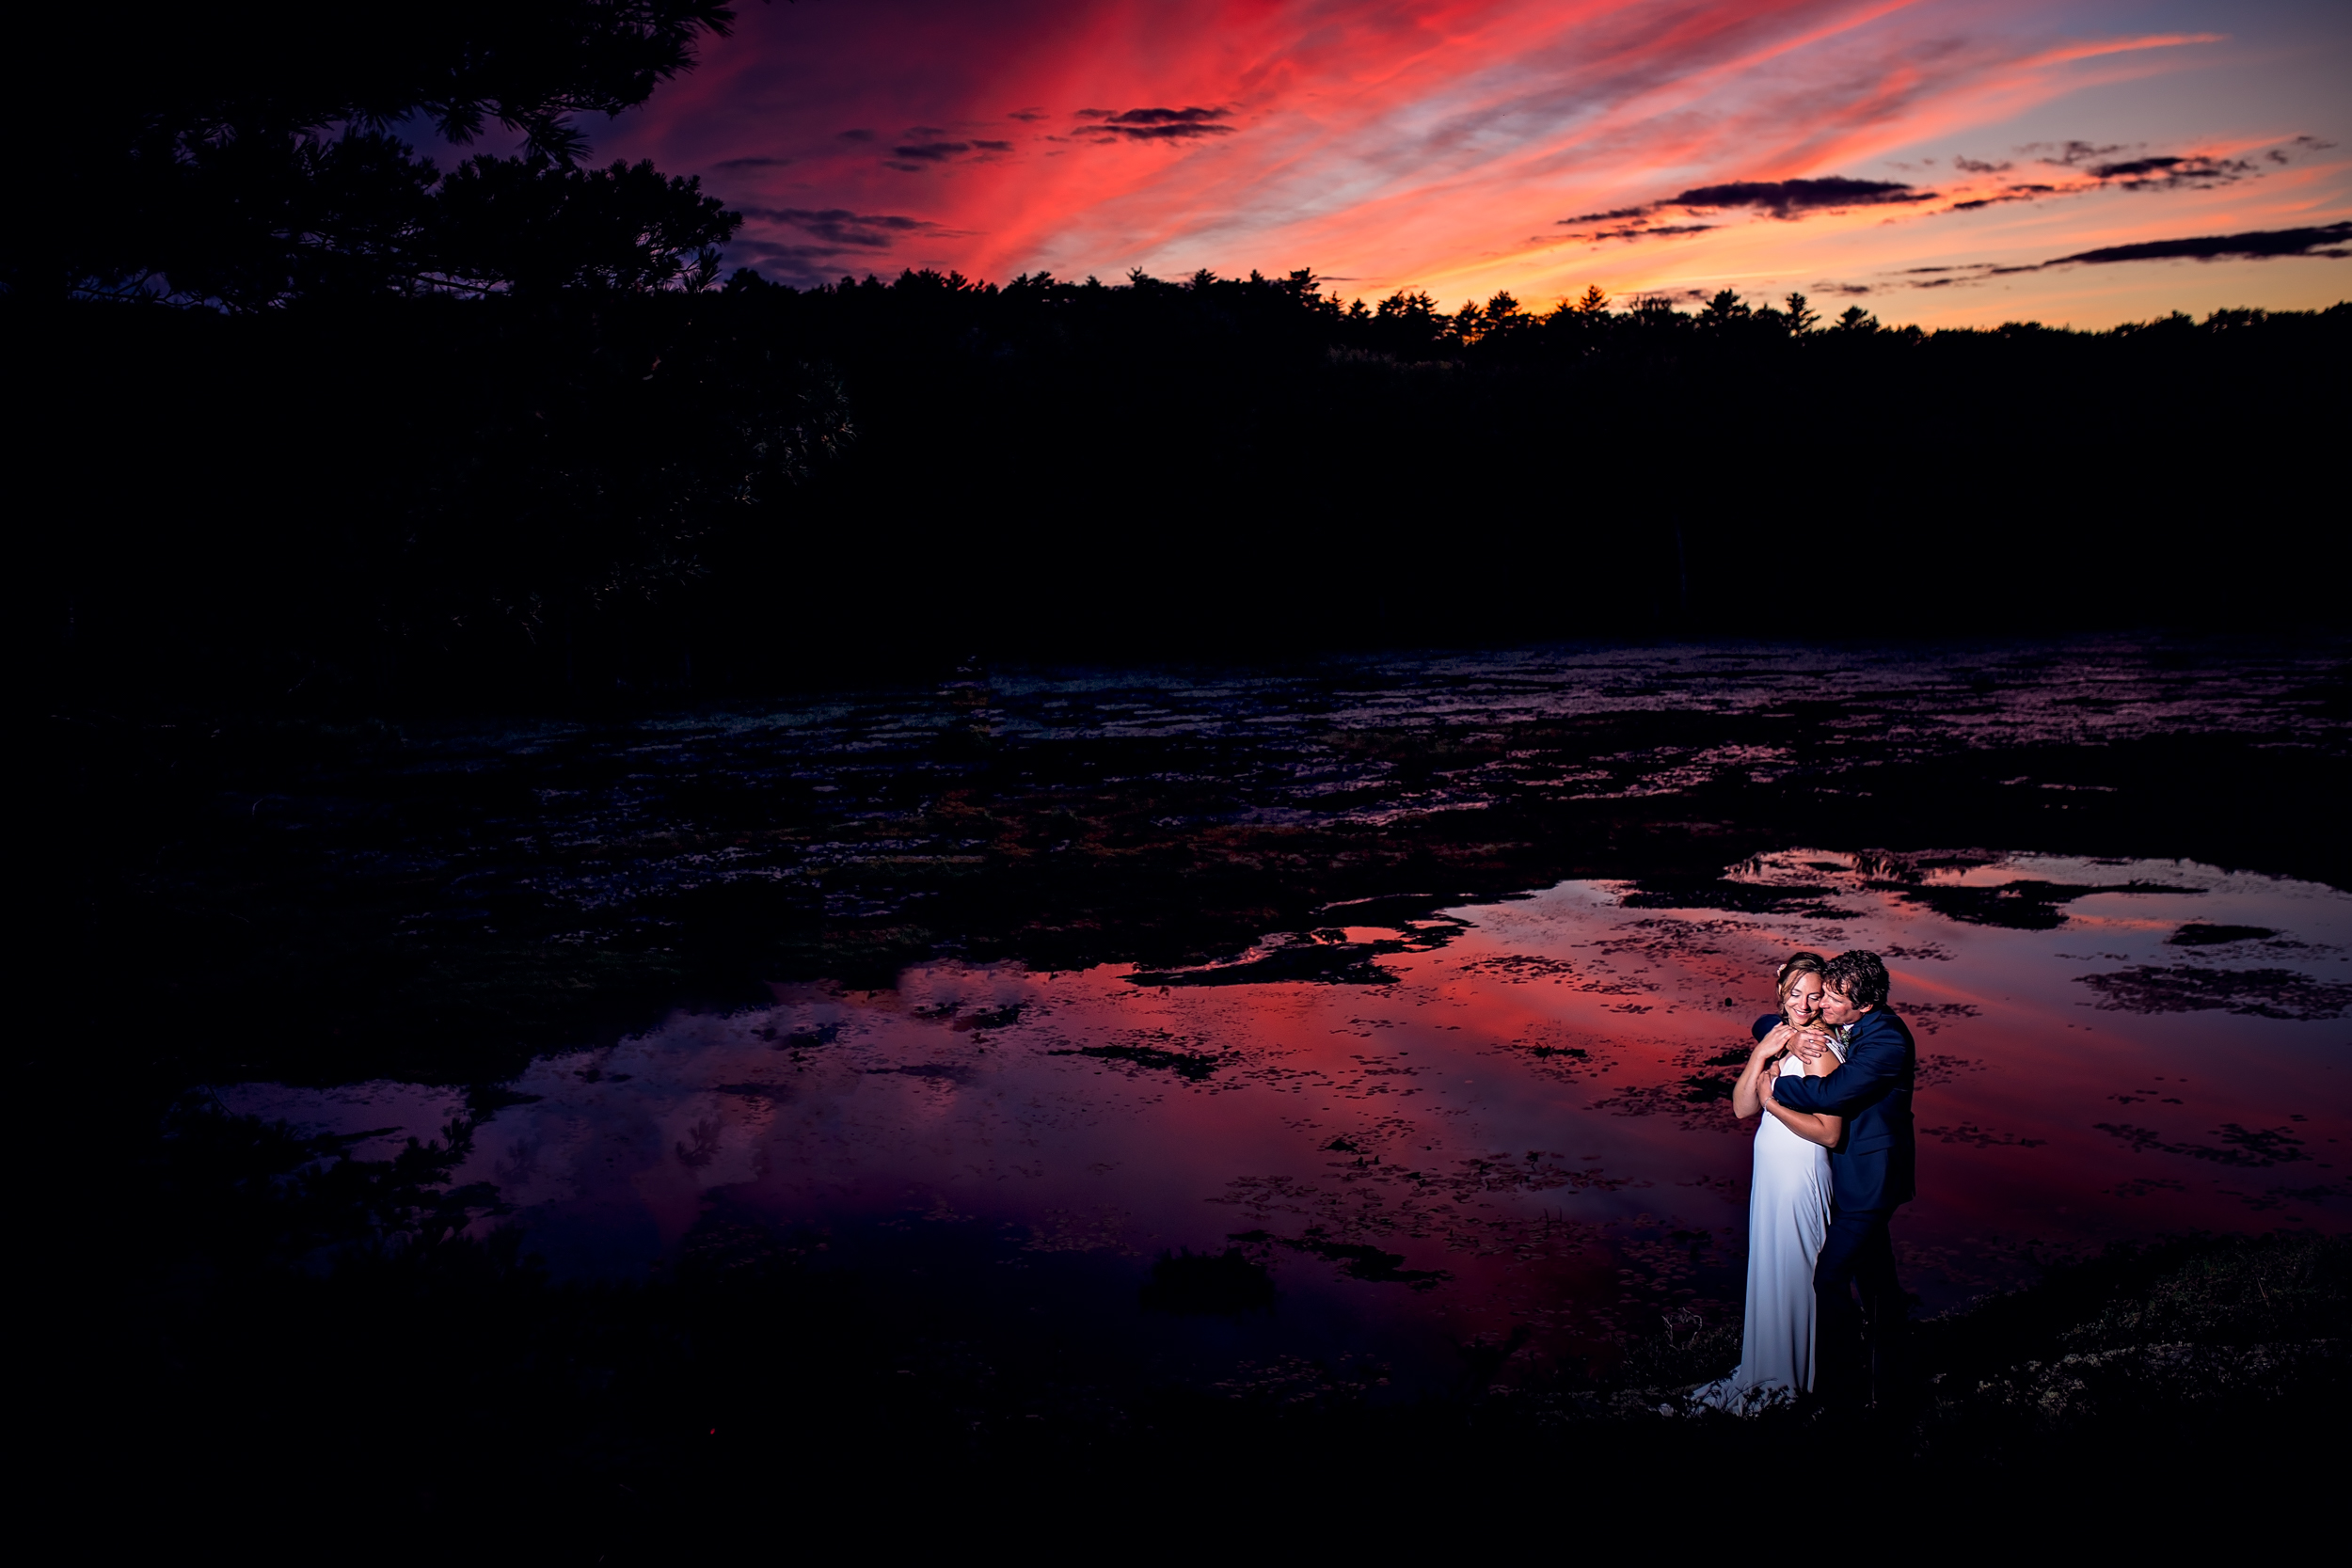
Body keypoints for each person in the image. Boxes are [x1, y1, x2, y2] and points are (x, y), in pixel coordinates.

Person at [1687, 952, 1844, 1413]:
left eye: (1815, 996)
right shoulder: (1781, 1039)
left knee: (1796, 1272)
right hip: (1772, 1173)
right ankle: (1765, 1368)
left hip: (1800, 1172)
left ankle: (1791, 1380)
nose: (1804, 1003)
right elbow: (1740, 1107)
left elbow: (1830, 1132)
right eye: (1796, 993)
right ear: (1781, 989)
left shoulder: (1816, 1050)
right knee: (1771, 1269)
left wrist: (1772, 1104)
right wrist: (1760, 1054)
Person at [1761, 948, 1916, 1413]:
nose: (1820, 1006)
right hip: (1853, 1176)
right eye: (1822, 993)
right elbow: (1769, 1017)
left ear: (1864, 1004)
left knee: (1829, 1278)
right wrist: (1787, 1041)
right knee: (1877, 1285)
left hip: (1871, 1179)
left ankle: (1840, 1387)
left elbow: (1831, 1092)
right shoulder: (1851, 1022)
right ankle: (1889, 1386)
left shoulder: (1886, 1041)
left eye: (1832, 998)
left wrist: (1775, 1092)